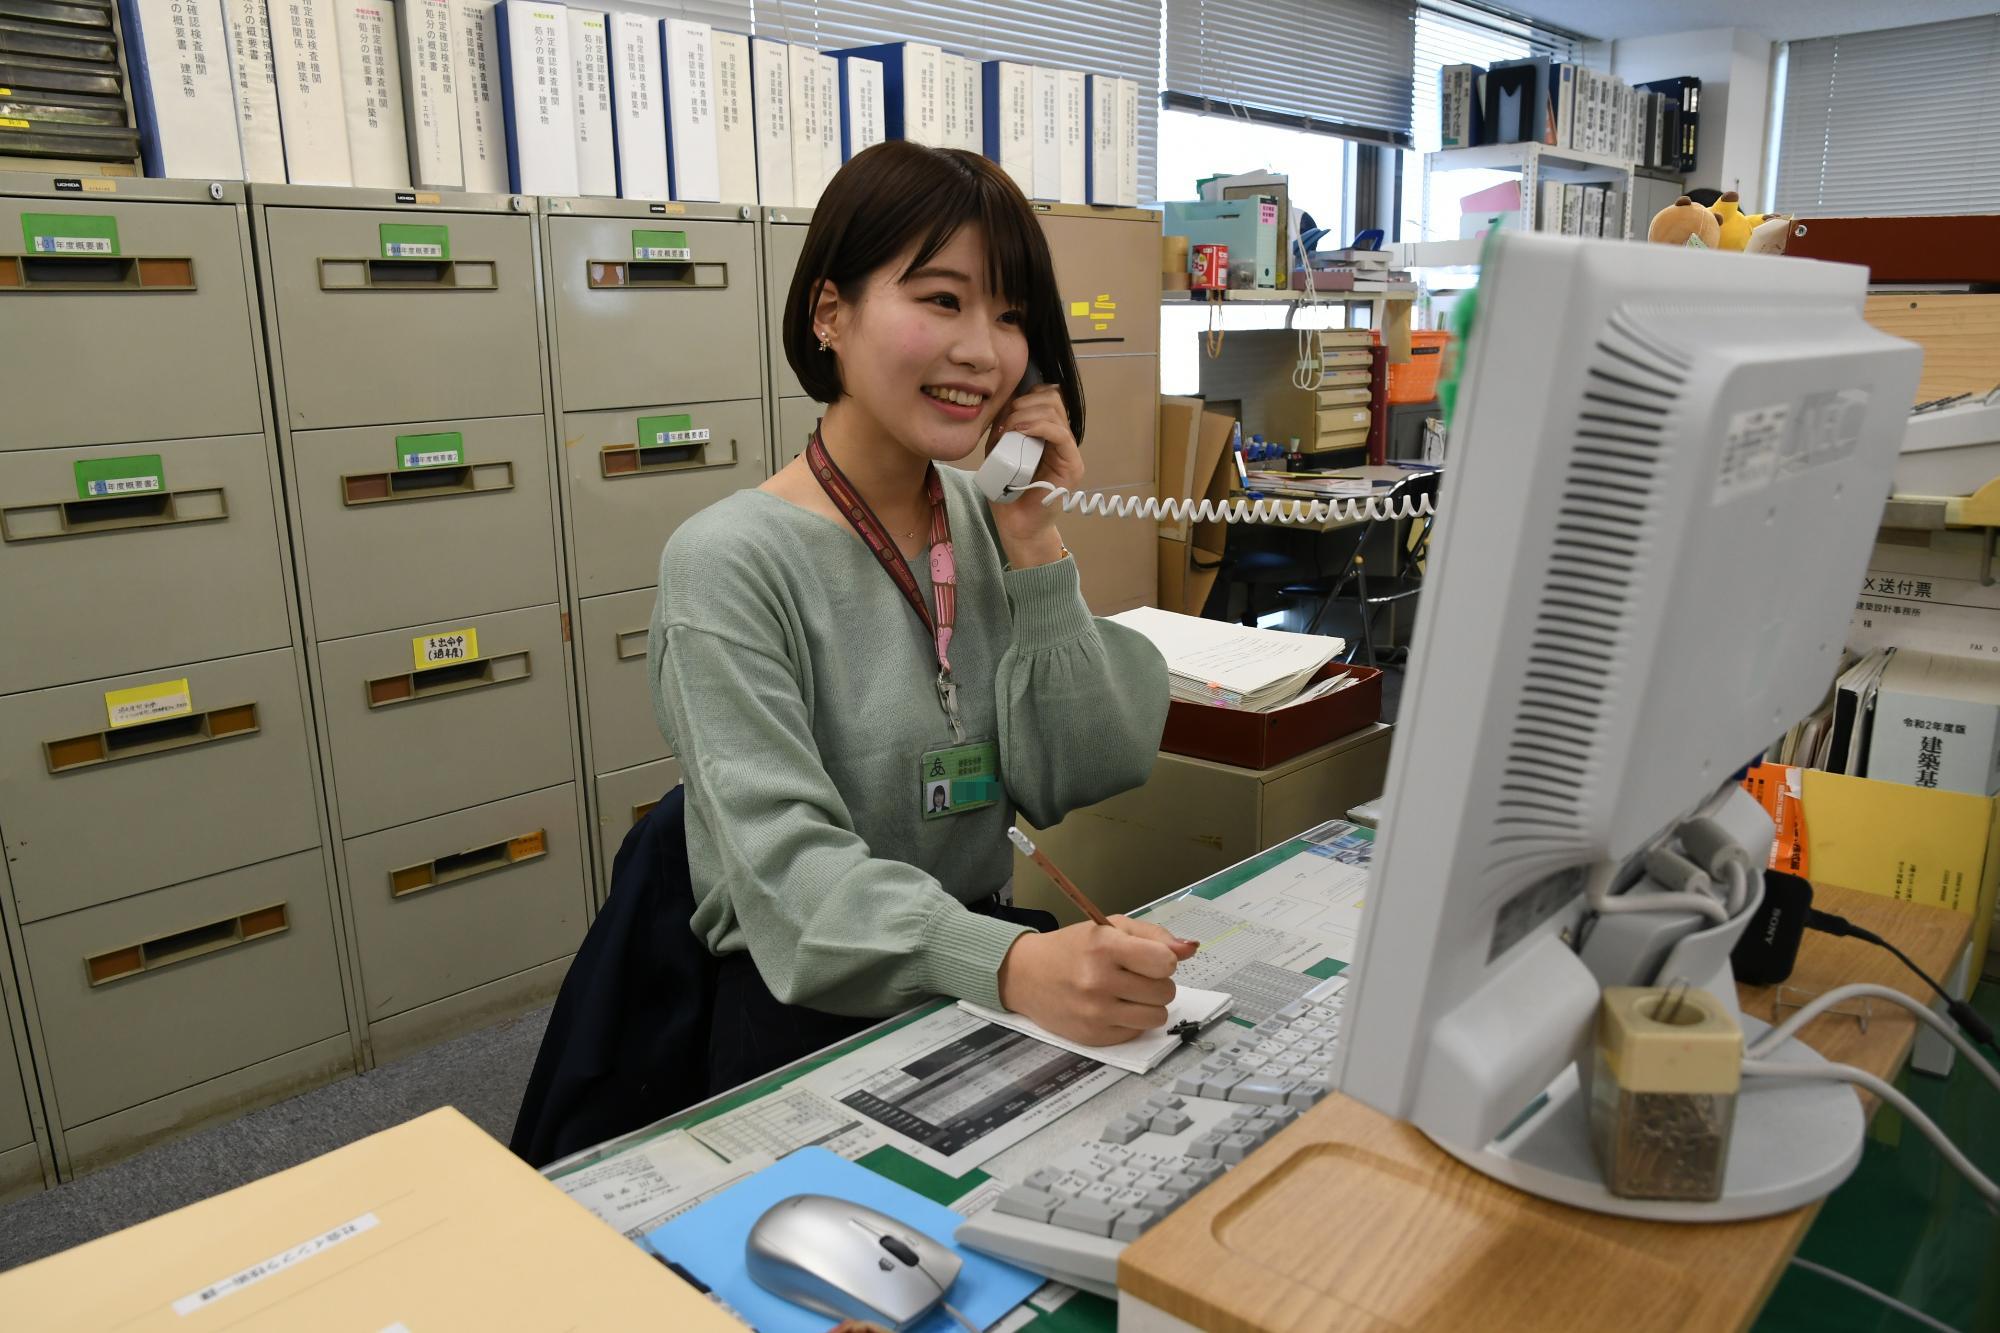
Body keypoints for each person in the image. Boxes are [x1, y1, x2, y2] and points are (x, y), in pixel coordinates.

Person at [649, 141, 1194, 1092]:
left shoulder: (987, 518)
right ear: (831, 313)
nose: (983, 352)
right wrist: (1009, 964)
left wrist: (1034, 541)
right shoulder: (728, 562)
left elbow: (1087, 766)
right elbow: (792, 875)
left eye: (1011, 316)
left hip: (983, 972)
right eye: (941, 300)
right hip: (814, 1014)